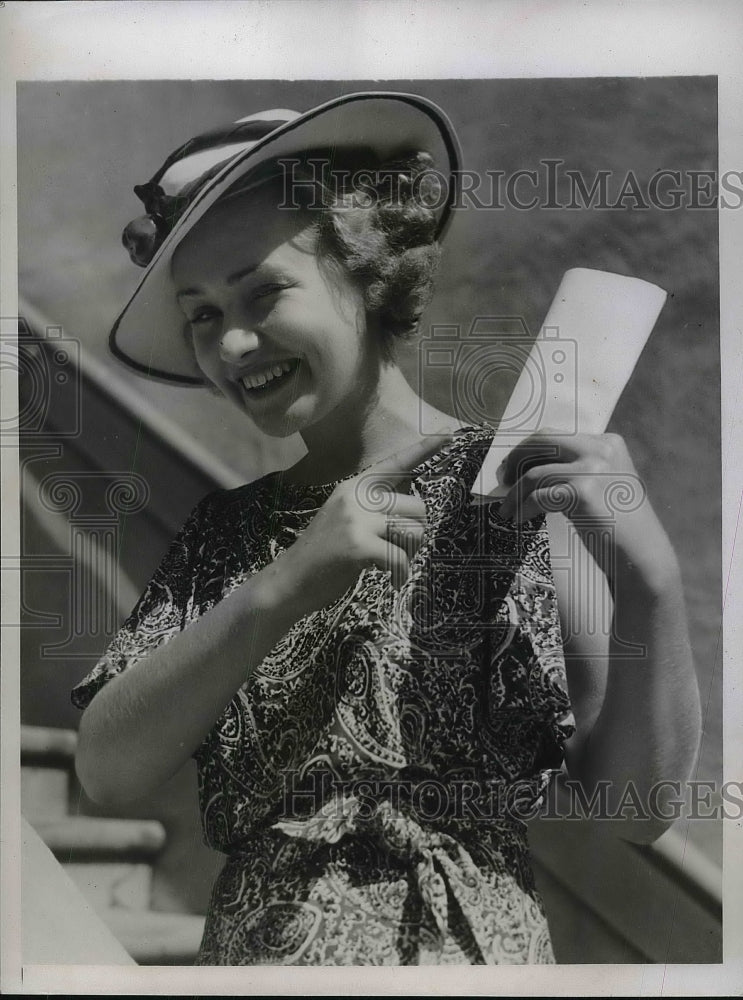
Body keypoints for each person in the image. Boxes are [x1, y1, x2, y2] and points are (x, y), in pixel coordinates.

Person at [72, 92, 702, 965]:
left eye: (263, 293)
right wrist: (280, 589)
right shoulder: (226, 533)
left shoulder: (521, 475)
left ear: (365, 274)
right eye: (203, 314)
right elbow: (107, 772)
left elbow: (635, 811)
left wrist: (651, 580)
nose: (234, 344)